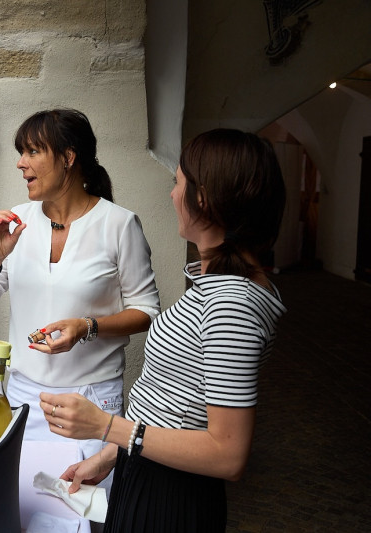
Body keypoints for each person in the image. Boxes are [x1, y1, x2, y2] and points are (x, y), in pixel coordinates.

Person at [42, 128, 288, 531]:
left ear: (204, 197)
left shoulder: (232, 302)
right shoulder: (219, 286)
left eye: (179, 183)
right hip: (153, 473)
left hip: (172, 496)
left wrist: (107, 426)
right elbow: (177, 404)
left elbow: (228, 454)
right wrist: (111, 454)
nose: (172, 195)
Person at [0, 109, 161, 462]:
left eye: (32, 152)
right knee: (20, 505)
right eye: (22, 153)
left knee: (85, 506)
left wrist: (87, 327)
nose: (21, 164)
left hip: (90, 401)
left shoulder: (119, 225)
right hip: (21, 398)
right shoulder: (18, 223)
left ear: (68, 158)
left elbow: (147, 312)